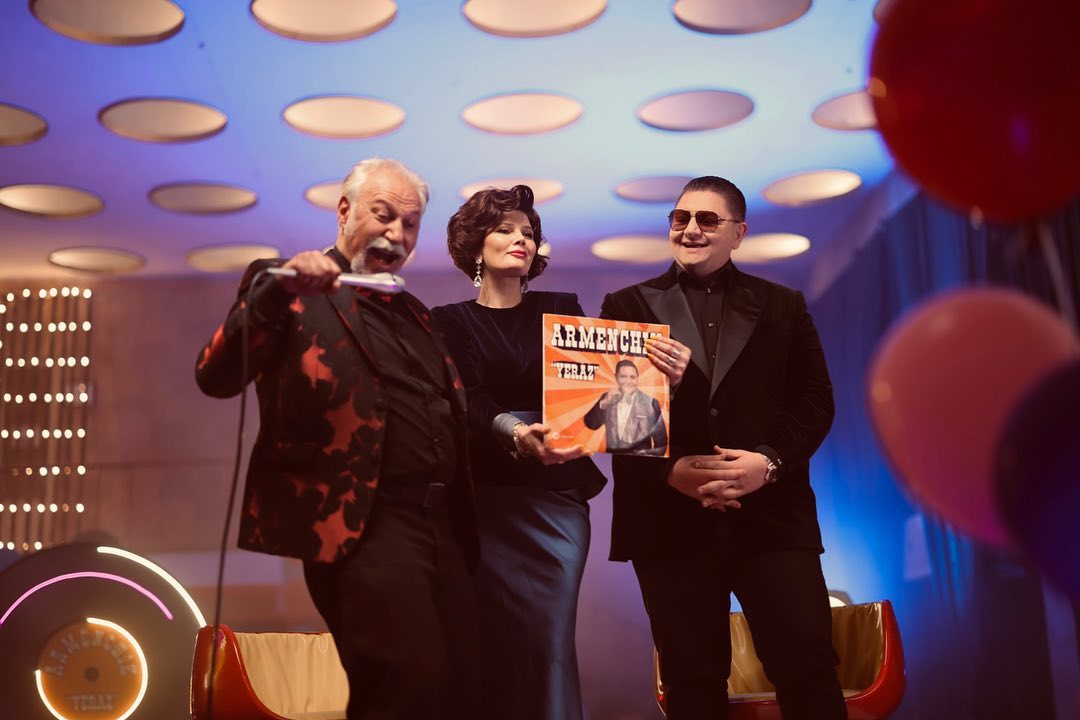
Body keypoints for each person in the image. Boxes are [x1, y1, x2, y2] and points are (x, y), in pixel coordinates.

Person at [194, 158, 480, 720]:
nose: (397, 233)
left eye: (411, 223)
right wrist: (278, 292)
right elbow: (215, 375)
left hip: (441, 524)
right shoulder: (285, 286)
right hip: (361, 521)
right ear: (345, 211)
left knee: (465, 690)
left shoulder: (415, 311)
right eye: (384, 215)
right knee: (408, 682)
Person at [599, 176, 845, 719]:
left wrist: (768, 464)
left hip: (773, 519)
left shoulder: (783, 304)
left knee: (807, 669)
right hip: (669, 523)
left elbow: (815, 403)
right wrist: (669, 473)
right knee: (690, 682)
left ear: (739, 233)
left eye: (707, 219)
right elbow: (616, 414)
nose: (690, 229)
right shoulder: (625, 304)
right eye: (680, 218)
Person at [430, 185, 617, 720]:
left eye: (529, 233)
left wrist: (659, 375)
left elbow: (596, 390)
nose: (521, 239)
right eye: (505, 229)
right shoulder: (448, 320)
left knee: (549, 639)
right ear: (474, 244)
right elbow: (464, 397)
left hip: (556, 503)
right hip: (484, 502)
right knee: (490, 644)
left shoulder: (561, 308)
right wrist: (514, 430)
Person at [584, 358, 668, 455]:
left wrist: (645, 456)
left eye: (632, 377)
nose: (628, 381)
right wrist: (604, 403)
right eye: (623, 377)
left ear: (637, 378)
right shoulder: (607, 397)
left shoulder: (651, 402)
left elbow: (662, 444)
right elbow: (591, 425)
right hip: (611, 460)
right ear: (616, 377)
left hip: (639, 462)